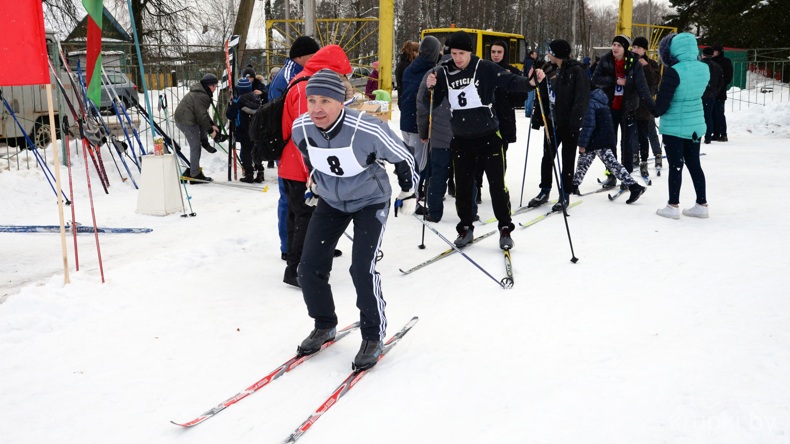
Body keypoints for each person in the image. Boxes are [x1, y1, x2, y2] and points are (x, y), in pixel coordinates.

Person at [291, 69, 418, 371]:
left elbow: (403, 155)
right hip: (332, 201)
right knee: (308, 267)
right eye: (311, 100)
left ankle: (373, 336)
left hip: (369, 201)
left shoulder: (367, 128)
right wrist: (313, 178)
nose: (317, 108)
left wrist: (409, 188)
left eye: (325, 101)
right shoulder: (302, 128)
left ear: (341, 102)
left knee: (361, 268)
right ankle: (324, 324)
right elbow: (310, 158)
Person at [424, 30, 541, 250]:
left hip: (489, 138)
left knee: (497, 186)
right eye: (454, 53)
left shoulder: (483, 68)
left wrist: (531, 83)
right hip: (461, 139)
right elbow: (432, 100)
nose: (457, 58)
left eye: (461, 53)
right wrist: (430, 87)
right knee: (464, 188)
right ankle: (466, 227)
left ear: (470, 52)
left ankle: (505, 227)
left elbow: (510, 81)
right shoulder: (443, 72)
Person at [279, 45, 352, 287]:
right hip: (300, 166)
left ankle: (300, 259)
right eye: (339, 76)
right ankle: (296, 269)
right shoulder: (306, 88)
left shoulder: (307, 82)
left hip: (295, 164)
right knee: (306, 218)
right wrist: (313, 174)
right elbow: (306, 134)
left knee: (299, 215)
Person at [269, 36, 320, 262]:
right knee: (291, 201)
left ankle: (300, 245)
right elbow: (298, 118)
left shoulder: (295, 72)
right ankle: (289, 247)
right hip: (289, 146)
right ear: (301, 56)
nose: (315, 59)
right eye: (313, 55)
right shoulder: (294, 76)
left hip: (290, 144)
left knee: (295, 202)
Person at [526, 39, 589, 212]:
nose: (547, 54)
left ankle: (565, 194)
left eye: (550, 52)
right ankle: (544, 190)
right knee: (547, 157)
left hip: (568, 123)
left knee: (567, 160)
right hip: (552, 121)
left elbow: (581, 99)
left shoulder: (576, 71)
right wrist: (539, 117)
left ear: (556, 54)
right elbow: (541, 92)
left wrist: (575, 122)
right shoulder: (549, 68)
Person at [654, 32, 710, 219]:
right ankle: (702, 204)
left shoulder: (674, 71)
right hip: (695, 124)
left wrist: (647, 99)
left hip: (675, 126)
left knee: (676, 166)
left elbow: (660, 106)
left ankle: (673, 205)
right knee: (695, 164)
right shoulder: (704, 68)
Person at [591, 34, 655, 186]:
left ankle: (626, 176)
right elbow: (595, 79)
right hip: (609, 107)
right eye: (613, 44)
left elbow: (642, 87)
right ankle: (611, 174)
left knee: (627, 144)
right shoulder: (605, 60)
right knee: (609, 143)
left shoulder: (634, 62)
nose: (615, 48)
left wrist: (652, 107)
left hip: (628, 108)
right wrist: (614, 80)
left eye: (619, 45)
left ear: (625, 48)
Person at [572, 87, 646, 204]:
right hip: (600, 137)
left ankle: (634, 187)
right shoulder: (599, 99)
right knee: (584, 160)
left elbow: (588, 125)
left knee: (612, 165)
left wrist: (582, 143)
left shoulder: (590, 102)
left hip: (599, 138)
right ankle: (574, 185)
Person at [477, 40, 524, 203]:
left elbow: (521, 97)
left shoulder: (511, 71)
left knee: (500, 157)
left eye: (499, 52)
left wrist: (507, 86)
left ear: (504, 53)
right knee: (480, 157)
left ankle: (498, 189)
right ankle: (477, 188)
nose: (496, 55)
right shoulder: (482, 70)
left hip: (504, 120)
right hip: (483, 120)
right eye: (493, 52)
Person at [399, 36, 443, 207]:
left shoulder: (410, 68)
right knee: (419, 165)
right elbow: (424, 104)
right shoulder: (432, 71)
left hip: (405, 122)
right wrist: (424, 129)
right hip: (418, 125)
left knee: (410, 162)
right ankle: (412, 200)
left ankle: (408, 194)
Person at [417, 52, 453, 222]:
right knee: (465, 174)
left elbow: (422, 106)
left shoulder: (432, 74)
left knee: (437, 174)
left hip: (439, 135)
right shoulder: (464, 73)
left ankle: (434, 211)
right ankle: (469, 211)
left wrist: (424, 131)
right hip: (461, 133)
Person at [174, 73, 220, 183]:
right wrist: (211, 131)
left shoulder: (202, 92)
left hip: (189, 117)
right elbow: (201, 116)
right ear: (210, 86)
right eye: (215, 86)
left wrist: (211, 124)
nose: (215, 89)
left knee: (201, 128)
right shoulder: (202, 95)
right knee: (195, 146)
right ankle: (195, 175)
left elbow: (202, 112)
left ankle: (204, 142)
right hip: (186, 121)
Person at [630, 36, 660, 179]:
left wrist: (646, 66)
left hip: (645, 105)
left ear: (644, 50)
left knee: (648, 132)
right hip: (631, 104)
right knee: (632, 133)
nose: (635, 50)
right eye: (633, 47)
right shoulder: (630, 62)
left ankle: (652, 157)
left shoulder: (651, 63)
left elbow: (654, 81)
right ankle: (634, 156)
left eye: (638, 48)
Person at [226, 77, 264, 183]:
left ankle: (249, 173)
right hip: (256, 129)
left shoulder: (238, 100)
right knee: (256, 151)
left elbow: (230, 115)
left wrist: (231, 104)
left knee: (246, 152)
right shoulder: (256, 98)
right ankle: (260, 171)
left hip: (243, 130)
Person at [700, 47, 723, 144]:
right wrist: (714, 91)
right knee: (708, 116)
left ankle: (695, 136)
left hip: (699, 94)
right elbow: (721, 82)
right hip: (711, 95)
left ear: (703, 54)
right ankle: (708, 136)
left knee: (697, 116)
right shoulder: (717, 67)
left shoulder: (699, 65)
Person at [711, 44, 733, 142]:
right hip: (711, 92)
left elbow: (728, 76)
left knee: (719, 113)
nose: (713, 53)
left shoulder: (725, 62)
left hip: (720, 92)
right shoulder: (711, 62)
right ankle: (715, 133)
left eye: (715, 51)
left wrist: (720, 85)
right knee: (712, 113)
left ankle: (723, 134)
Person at [523, 50, 538, 117]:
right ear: (531, 55)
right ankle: (529, 112)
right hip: (530, 81)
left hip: (526, 80)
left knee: (527, 97)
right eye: (535, 54)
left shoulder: (526, 61)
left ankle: (527, 111)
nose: (536, 56)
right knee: (530, 97)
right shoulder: (531, 62)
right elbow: (530, 72)